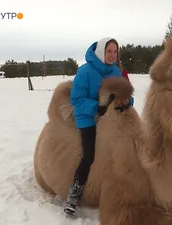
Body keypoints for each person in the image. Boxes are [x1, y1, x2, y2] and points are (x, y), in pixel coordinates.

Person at [63, 37, 134, 216]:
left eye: (115, 52)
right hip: (87, 117)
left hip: (110, 118)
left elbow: (125, 94)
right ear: (101, 52)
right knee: (89, 156)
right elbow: (76, 99)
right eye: (108, 51)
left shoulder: (116, 72)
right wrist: (96, 107)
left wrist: (127, 102)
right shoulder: (85, 71)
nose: (112, 55)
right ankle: (74, 194)